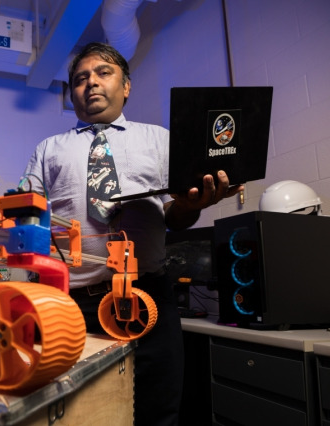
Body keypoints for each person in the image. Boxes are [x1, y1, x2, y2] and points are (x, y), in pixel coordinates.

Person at [24, 42, 243, 425]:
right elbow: (27, 219)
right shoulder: (48, 150)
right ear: (72, 93)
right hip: (73, 306)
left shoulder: (160, 141)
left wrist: (193, 205)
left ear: (126, 86)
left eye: (103, 73)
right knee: (76, 414)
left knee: (157, 413)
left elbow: (175, 216)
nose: (91, 83)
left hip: (149, 299)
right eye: (80, 79)